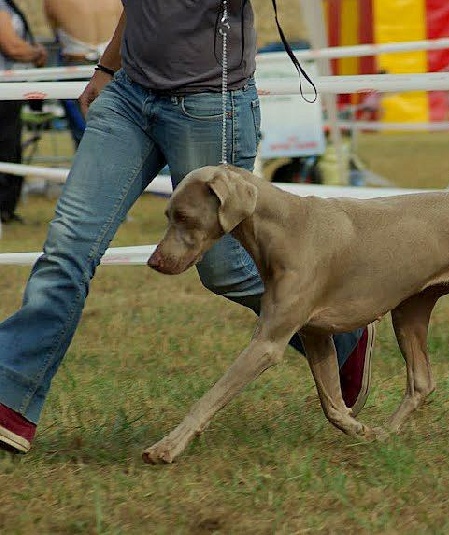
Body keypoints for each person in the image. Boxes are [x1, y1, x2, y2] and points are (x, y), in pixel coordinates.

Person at [0, 1, 375, 455]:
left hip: (209, 102)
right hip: (129, 95)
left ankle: (339, 327)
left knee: (225, 270)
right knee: (67, 247)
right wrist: (106, 68)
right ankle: (9, 401)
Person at [44, 0, 123, 147]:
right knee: (119, 135)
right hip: (113, 65)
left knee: (85, 138)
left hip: (77, 63)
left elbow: (54, 27)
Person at [0, 0, 47, 224]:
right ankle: (3, 208)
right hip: (4, 90)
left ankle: (7, 208)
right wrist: (36, 53)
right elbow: (11, 47)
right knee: (6, 149)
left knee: (11, 148)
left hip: (10, 89)